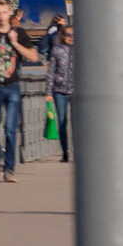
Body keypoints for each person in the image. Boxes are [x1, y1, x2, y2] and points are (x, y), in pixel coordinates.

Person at [0, 0, 38, 182]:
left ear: (10, 13)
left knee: (10, 130)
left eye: (4, 12)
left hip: (12, 87)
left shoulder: (19, 33)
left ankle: (9, 169)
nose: (1, 16)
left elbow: (34, 56)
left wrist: (16, 43)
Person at [43, 20, 75, 163]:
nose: (71, 37)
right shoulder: (57, 50)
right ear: (63, 35)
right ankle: (65, 152)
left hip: (77, 92)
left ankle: (77, 151)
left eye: (73, 35)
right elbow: (51, 73)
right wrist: (48, 93)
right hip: (59, 91)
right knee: (62, 122)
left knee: (77, 123)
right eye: (68, 34)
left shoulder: (81, 50)